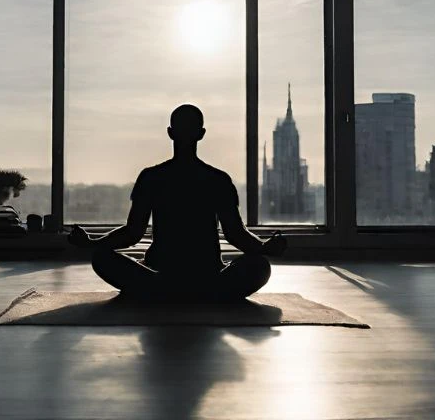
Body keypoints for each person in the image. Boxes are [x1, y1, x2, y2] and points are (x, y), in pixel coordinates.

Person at [68, 104, 287, 301]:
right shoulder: (217, 180)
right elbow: (235, 234)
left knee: (102, 258)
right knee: (259, 266)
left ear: (170, 133)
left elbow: (133, 232)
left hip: (161, 275)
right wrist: (263, 247)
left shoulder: (151, 177)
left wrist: (93, 243)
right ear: (201, 134)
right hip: (208, 276)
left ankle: (159, 291)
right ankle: (205, 294)